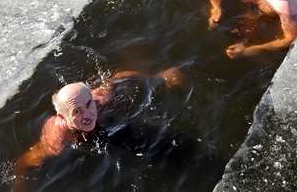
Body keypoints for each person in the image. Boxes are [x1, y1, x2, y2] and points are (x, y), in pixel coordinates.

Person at [11, 68, 182, 190]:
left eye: (88, 104)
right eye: (77, 111)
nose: (88, 115)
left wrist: (158, 77)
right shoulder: (56, 139)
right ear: (63, 117)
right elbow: (23, 163)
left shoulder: (99, 101)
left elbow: (117, 78)